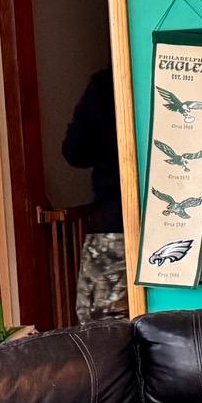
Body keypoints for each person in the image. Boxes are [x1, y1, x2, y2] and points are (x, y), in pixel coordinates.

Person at [62, 69, 127, 323]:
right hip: (175, 218)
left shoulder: (103, 85)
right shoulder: (163, 74)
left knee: (101, 320)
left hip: (112, 222)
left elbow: (75, 152)